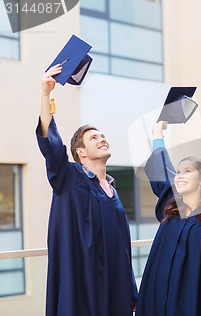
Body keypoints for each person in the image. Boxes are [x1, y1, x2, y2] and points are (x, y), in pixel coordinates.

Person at [37, 65, 137, 316]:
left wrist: (132, 291)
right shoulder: (70, 178)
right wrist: (45, 95)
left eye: (103, 135)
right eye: (94, 138)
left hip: (115, 289)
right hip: (84, 287)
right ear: (80, 152)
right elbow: (51, 145)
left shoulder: (112, 190)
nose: (102, 139)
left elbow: (124, 249)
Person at [135, 121, 201, 316]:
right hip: (156, 294)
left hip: (192, 299)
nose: (179, 176)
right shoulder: (172, 206)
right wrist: (157, 134)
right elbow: (162, 169)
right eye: (179, 172)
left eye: (187, 172)